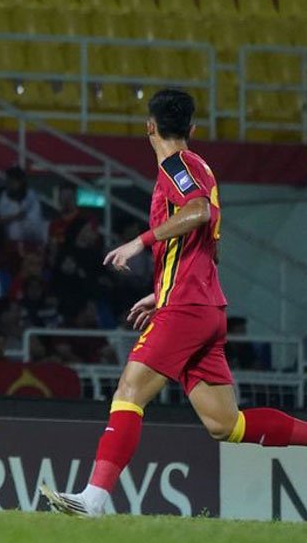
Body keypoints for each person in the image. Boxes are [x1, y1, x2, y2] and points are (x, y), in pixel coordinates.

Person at [41, 89, 307, 517]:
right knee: (226, 424)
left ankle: (93, 499)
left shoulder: (178, 165)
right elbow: (202, 248)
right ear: (192, 127)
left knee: (129, 391)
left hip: (186, 308)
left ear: (150, 126)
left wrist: (139, 242)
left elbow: (198, 211)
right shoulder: (197, 166)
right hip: (200, 306)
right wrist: (161, 290)